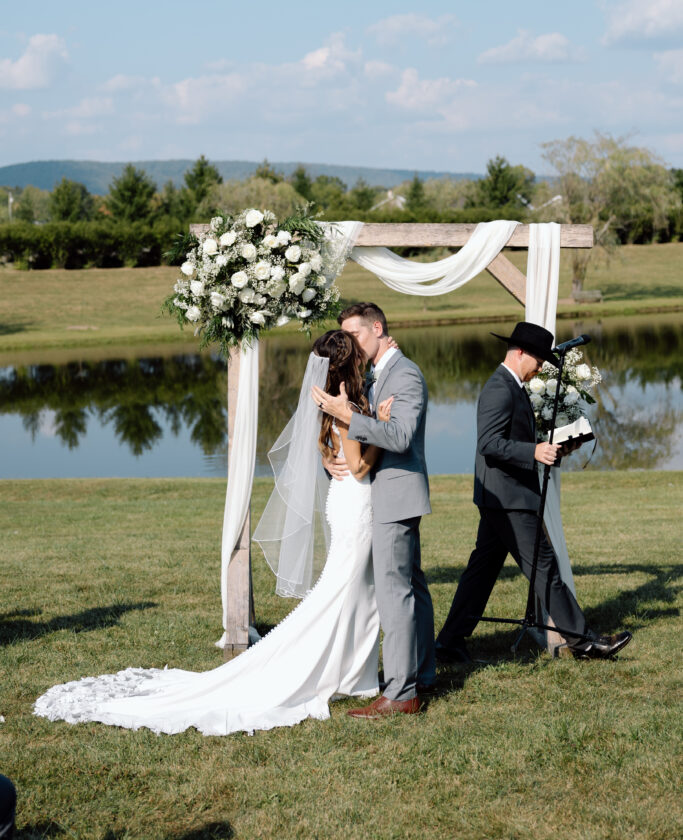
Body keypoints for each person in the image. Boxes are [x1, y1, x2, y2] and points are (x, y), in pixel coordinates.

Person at [34, 330, 393, 736]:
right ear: (349, 364)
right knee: (342, 590)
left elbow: (334, 455)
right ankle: (329, 671)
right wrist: (378, 425)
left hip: (347, 503)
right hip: (354, 505)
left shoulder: (327, 402)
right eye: (359, 354)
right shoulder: (344, 406)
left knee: (356, 590)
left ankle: (355, 673)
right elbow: (360, 467)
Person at [435, 321, 633, 663]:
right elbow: (488, 444)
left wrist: (553, 447)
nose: (540, 367)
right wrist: (533, 452)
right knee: (545, 568)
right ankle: (584, 643)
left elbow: (509, 439)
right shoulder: (500, 387)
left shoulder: (512, 386)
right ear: (520, 352)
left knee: (481, 572)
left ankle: (449, 642)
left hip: (501, 496)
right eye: (538, 359)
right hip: (509, 498)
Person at [312, 302, 435, 719]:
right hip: (380, 495)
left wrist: (350, 416)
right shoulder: (377, 372)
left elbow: (400, 436)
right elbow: (355, 437)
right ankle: (422, 674)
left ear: (378, 328)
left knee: (395, 594)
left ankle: (401, 694)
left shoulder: (405, 373)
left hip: (394, 497)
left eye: (357, 336)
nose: (352, 346)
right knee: (411, 588)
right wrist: (334, 453)